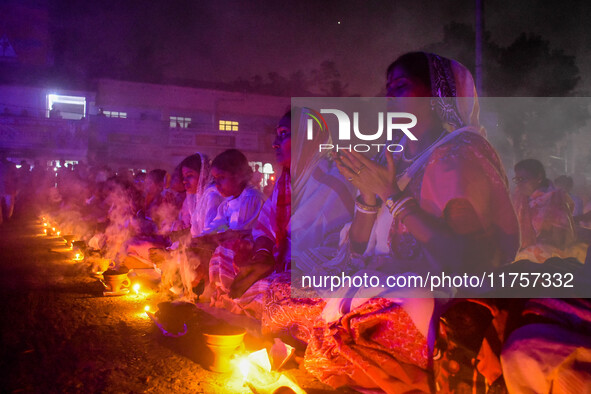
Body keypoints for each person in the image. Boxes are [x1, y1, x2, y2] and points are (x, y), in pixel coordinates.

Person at [298, 52, 520, 393]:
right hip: (384, 283)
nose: (389, 98)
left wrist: (393, 197)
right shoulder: (394, 154)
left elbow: (469, 262)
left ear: (437, 98)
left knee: (340, 326)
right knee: (291, 294)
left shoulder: (458, 154)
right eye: (388, 89)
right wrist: (369, 200)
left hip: (439, 301)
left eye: (400, 87)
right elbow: (357, 251)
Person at [202, 149, 265, 304]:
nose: (217, 184)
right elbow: (215, 227)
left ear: (239, 176)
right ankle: (219, 292)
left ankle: (231, 294)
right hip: (236, 247)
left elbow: (240, 234)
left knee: (224, 248)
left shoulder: (251, 197)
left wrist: (215, 238)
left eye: (222, 178)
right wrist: (200, 240)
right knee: (201, 248)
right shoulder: (229, 202)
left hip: (253, 251)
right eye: (215, 179)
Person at [513, 159, 581, 263]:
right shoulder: (520, 199)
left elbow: (561, 240)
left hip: (549, 257)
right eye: (517, 180)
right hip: (522, 253)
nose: (519, 185)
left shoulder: (555, 199)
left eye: (522, 179)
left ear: (539, 178)